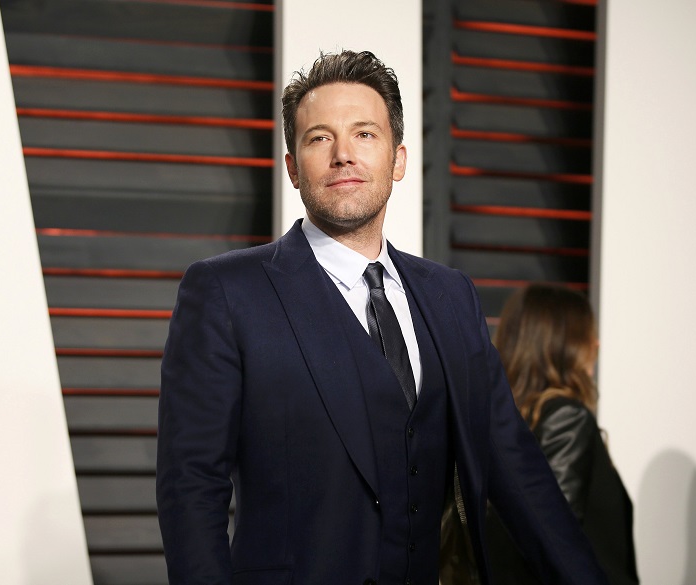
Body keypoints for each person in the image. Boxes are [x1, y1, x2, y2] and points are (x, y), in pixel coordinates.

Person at [156, 49, 608, 585]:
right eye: (319, 138)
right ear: (293, 168)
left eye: (364, 134)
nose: (343, 155)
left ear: (398, 160)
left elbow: (517, 468)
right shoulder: (227, 292)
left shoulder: (451, 296)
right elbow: (191, 486)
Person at [485, 284, 639, 585]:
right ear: (563, 345)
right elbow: (552, 541)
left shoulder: (502, 424)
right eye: (586, 336)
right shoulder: (567, 419)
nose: (596, 345)